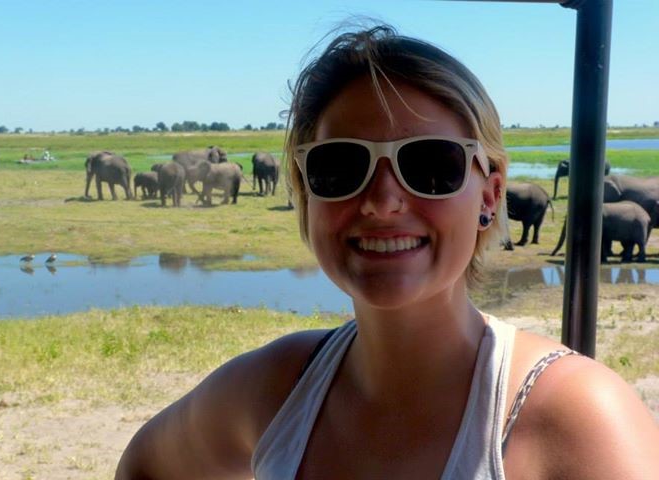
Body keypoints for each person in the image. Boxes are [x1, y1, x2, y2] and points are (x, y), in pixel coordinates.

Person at [116, 25, 659, 479]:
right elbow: (146, 466)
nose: (381, 201)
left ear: (490, 196)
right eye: (339, 167)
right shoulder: (274, 388)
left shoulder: (577, 419)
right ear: (305, 192)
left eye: (430, 165)